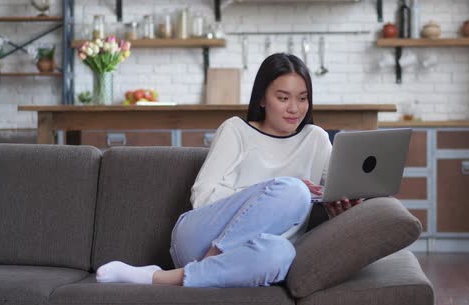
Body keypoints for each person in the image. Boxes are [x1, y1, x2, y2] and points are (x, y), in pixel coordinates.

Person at [95, 53, 362, 288]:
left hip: (250, 254)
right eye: (283, 98)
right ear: (262, 99)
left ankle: (163, 278)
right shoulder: (236, 130)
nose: (294, 108)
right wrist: (271, 191)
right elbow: (202, 198)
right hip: (199, 237)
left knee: (281, 254)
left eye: (302, 99)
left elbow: (334, 189)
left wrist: (338, 207)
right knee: (294, 191)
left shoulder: (315, 139)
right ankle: (214, 257)